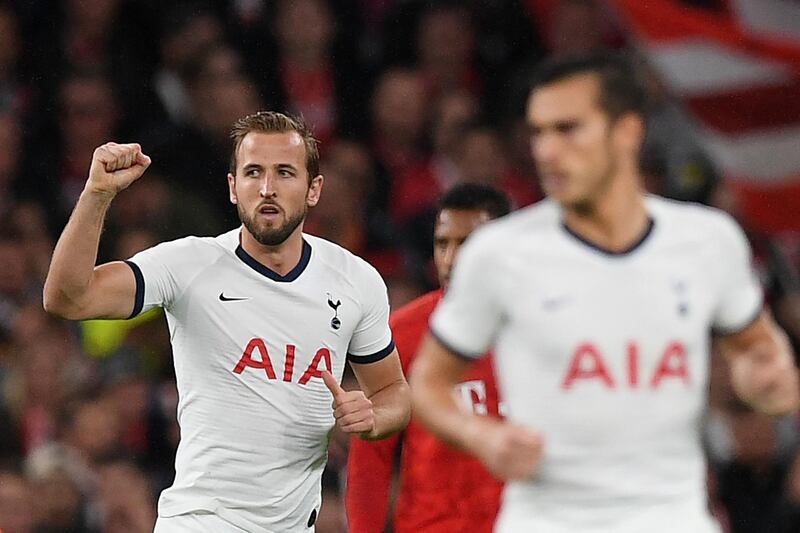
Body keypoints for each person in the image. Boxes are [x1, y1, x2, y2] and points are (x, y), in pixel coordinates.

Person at [409, 50, 800, 533]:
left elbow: (759, 353)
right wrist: (481, 435)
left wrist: (768, 384)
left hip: (672, 518)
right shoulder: (499, 254)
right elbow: (427, 383)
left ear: (627, 131)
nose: (547, 150)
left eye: (568, 128)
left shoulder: (707, 241)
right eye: (538, 132)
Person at [43, 111, 411, 532]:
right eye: (253, 172)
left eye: (285, 173)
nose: (267, 188)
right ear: (234, 187)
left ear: (314, 190)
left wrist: (373, 418)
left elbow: (392, 390)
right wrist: (96, 195)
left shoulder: (355, 281)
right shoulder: (188, 264)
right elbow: (67, 299)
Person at [346, 183, 511, 533]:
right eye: (443, 243)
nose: (450, 259)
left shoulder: (544, 333)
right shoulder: (402, 334)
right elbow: (369, 462)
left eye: (468, 244)